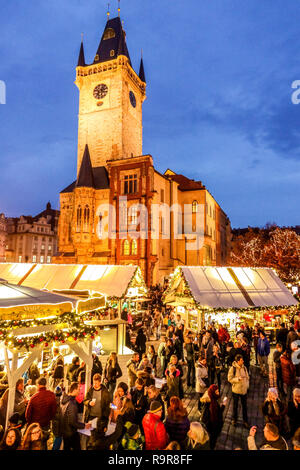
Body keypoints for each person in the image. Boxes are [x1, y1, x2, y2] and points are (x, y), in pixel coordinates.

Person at [61, 382, 91, 450]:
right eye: (78, 389)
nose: (79, 391)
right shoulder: (71, 404)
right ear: (74, 390)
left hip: (65, 432)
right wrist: (84, 425)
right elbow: (73, 422)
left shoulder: (64, 399)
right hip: (71, 433)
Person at [200, 384, 226, 449]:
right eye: (216, 392)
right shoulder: (208, 404)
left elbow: (217, 412)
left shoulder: (213, 400)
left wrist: (223, 405)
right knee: (212, 442)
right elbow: (204, 419)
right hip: (211, 429)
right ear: (212, 392)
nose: (218, 393)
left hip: (214, 427)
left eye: (218, 391)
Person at [227, 354, 250, 428]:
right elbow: (229, 379)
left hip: (243, 390)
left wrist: (247, 385)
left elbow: (247, 377)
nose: (243, 361)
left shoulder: (244, 368)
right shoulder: (232, 369)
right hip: (236, 390)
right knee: (235, 406)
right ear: (237, 361)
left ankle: (245, 421)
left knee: (245, 407)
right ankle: (234, 419)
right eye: (241, 360)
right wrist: (237, 379)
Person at [51, 385, 63, 450]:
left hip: (54, 422)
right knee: (58, 438)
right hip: (59, 423)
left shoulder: (52, 400)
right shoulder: (62, 401)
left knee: (55, 437)